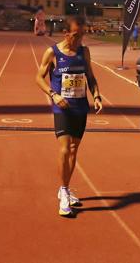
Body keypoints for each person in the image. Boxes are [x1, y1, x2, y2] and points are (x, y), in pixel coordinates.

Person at [35, 15, 103, 217]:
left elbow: (90, 76)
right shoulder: (53, 52)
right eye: (76, 35)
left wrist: (97, 95)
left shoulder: (84, 51)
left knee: (74, 149)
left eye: (82, 34)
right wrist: (53, 95)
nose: (80, 38)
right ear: (65, 33)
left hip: (80, 107)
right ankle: (64, 192)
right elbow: (38, 77)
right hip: (62, 107)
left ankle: (65, 186)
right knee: (65, 149)